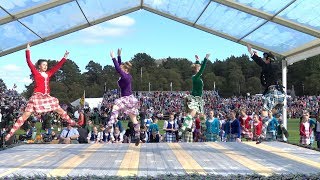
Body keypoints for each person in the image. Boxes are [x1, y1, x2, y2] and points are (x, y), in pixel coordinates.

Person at [5, 43, 76, 141]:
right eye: (43, 65)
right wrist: (27, 50)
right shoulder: (36, 72)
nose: (46, 66)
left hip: (46, 97)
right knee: (25, 115)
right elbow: (29, 61)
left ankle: (71, 122)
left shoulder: (49, 73)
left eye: (46, 65)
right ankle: (10, 133)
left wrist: (64, 57)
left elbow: (57, 67)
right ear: (39, 66)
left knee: (58, 108)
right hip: (37, 97)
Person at [108, 48, 140, 145]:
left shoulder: (125, 76)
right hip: (131, 99)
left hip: (125, 98)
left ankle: (110, 124)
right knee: (133, 119)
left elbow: (118, 68)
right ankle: (138, 135)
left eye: (122, 69)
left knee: (115, 107)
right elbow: (120, 67)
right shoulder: (127, 75)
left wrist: (113, 57)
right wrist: (119, 56)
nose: (119, 70)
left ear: (125, 69)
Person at [180, 54, 210, 142]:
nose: (200, 69)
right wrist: (205, 59)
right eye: (199, 68)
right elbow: (202, 68)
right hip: (196, 98)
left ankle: (204, 128)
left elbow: (198, 67)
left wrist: (197, 60)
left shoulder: (196, 77)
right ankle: (184, 128)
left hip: (197, 98)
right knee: (193, 114)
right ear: (197, 70)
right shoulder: (196, 77)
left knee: (201, 114)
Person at [246, 44, 285, 111]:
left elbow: (261, 63)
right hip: (273, 91)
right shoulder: (270, 67)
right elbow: (262, 64)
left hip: (274, 91)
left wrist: (251, 52)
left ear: (269, 60)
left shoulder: (272, 66)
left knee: (265, 110)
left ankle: (274, 113)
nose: (264, 60)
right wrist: (256, 55)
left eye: (265, 59)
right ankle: (275, 112)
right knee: (267, 110)